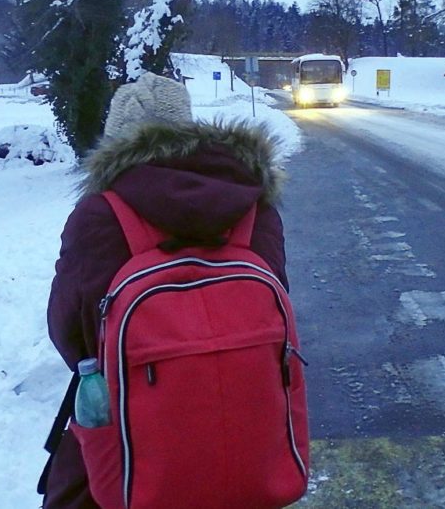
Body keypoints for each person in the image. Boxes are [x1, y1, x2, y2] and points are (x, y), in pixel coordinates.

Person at [42, 72, 289, 508]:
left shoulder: (99, 215)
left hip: (135, 434)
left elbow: (70, 330)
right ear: (189, 126)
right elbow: (279, 306)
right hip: (249, 425)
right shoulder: (254, 207)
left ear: (115, 139)